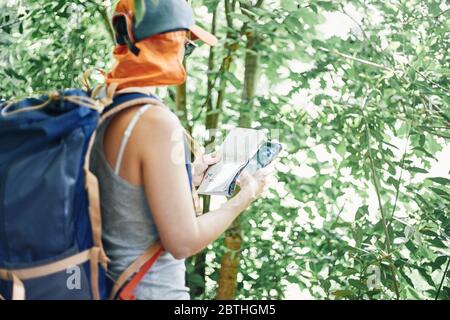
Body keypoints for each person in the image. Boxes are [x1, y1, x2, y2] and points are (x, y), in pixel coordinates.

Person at [90, 0, 275, 300]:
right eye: (187, 46)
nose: (184, 55)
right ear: (169, 42)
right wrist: (244, 197)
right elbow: (183, 242)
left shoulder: (101, 101)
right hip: (149, 292)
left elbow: (123, 199)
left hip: (108, 286)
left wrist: (190, 179)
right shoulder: (156, 122)